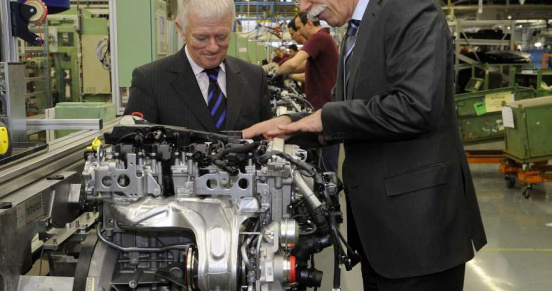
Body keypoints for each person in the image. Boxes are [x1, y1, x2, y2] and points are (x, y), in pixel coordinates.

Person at [243, 0, 487, 290]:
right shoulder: (355, 30)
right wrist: (287, 127)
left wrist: (327, 117)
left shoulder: (411, 8)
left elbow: (417, 107)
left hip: (418, 234)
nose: (306, 8)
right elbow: (350, 114)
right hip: (380, 234)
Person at [124, 0, 271, 132]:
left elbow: (268, 140)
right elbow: (131, 147)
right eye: (201, 38)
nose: (213, 47)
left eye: (222, 37)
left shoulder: (255, 77)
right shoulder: (150, 80)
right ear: (181, 29)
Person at [275, 12, 339, 172]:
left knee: (327, 165)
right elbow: (302, 68)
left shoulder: (319, 38)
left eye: (299, 28)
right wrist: (286, 71)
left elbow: (293, 64)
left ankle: (329, 194)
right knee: (323, 159)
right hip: (322, 109)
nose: (299, 33)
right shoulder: (324, 40)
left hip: (324, 110)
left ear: (309, 24)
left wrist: (275, 71)